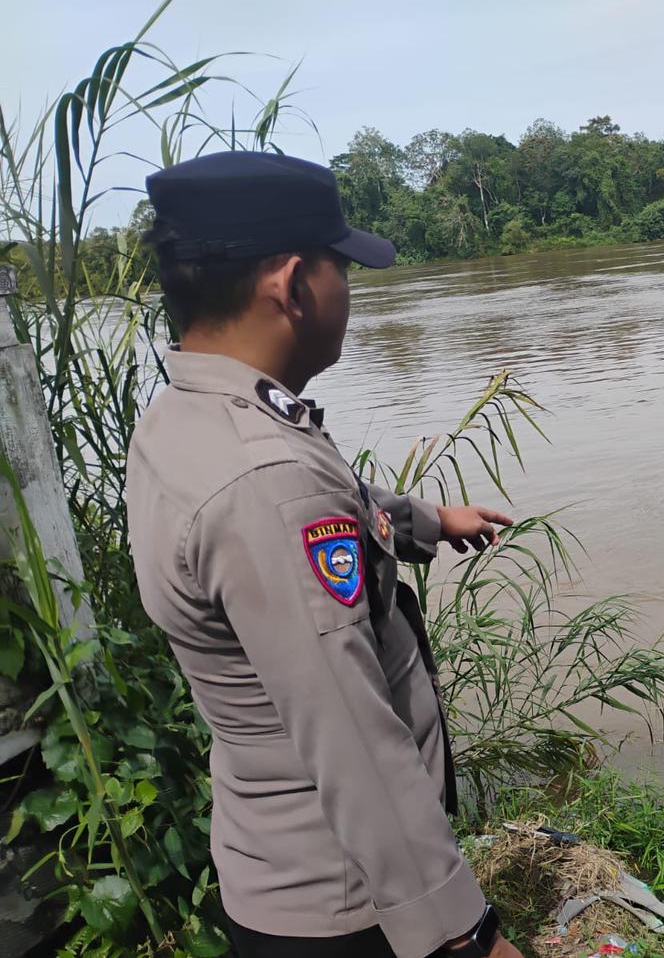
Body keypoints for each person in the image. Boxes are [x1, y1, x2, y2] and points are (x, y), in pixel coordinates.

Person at [125, 150, 522, 958]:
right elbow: (351, 737)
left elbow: (334, 504)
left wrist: (427, 521)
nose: (349, 291)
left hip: (270, 866)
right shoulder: (267, 481)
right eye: (342, 267)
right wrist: (464, 935)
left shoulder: (190, 415)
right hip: (346, 906)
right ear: (291, 283)